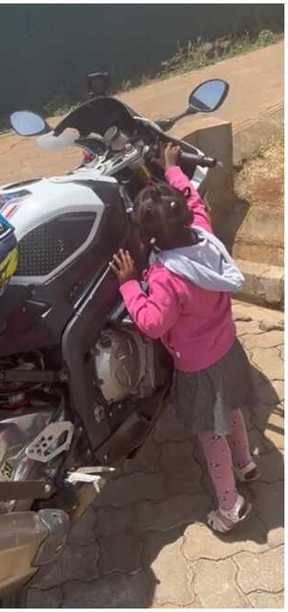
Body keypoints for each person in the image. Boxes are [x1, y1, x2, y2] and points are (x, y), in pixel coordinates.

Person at [111, 142, 257, 533]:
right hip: (228, 349)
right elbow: (195, 200)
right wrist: (172, 170)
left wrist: (128, 286)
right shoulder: (204, 237)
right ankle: (246, 464)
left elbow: (153, 324)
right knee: (233, 411)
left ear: (147, 237)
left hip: (198, 368)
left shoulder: (165, 277)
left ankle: (230, 507)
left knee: (212, 436)